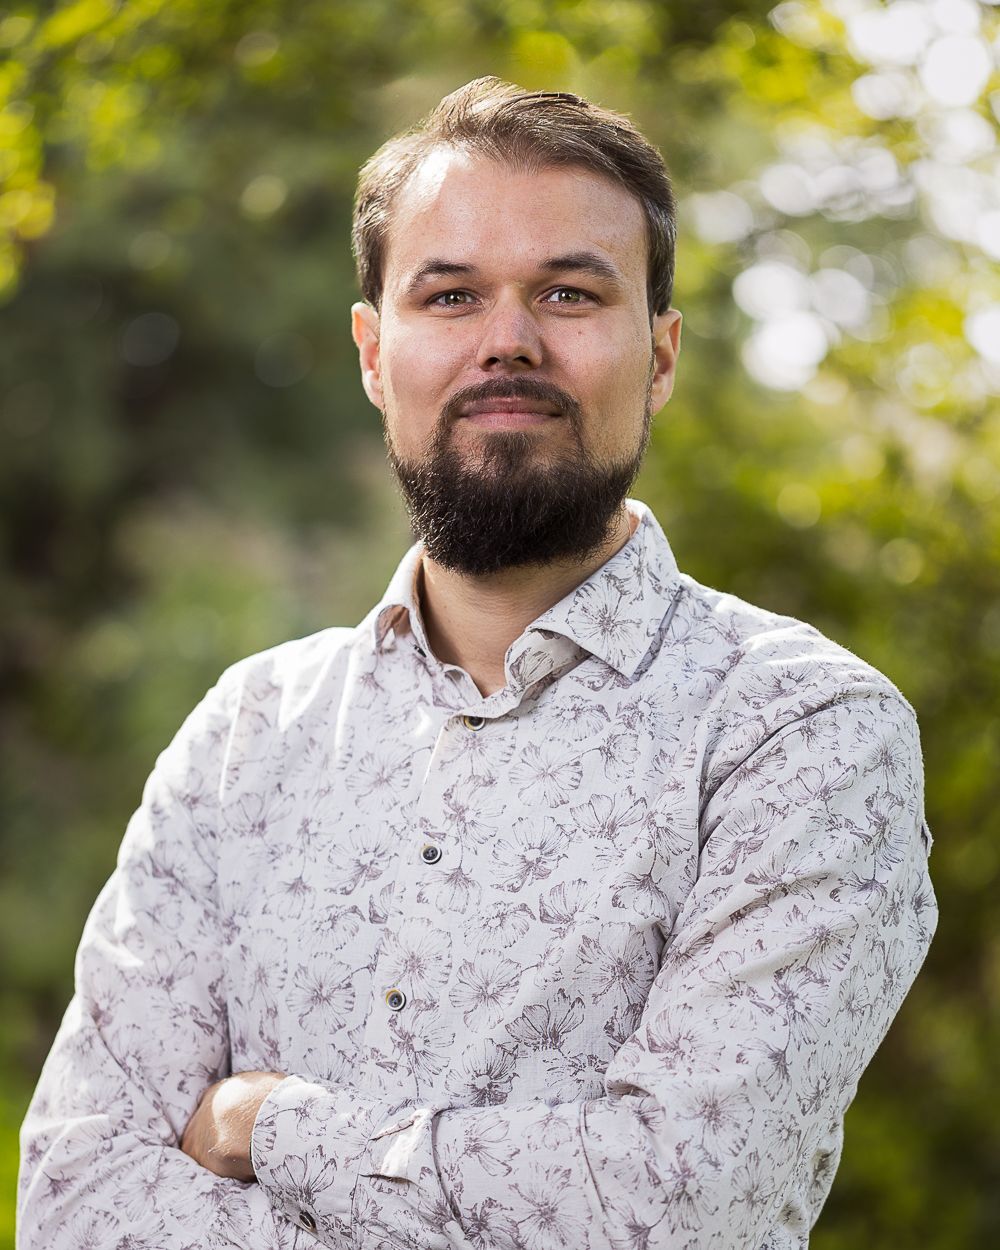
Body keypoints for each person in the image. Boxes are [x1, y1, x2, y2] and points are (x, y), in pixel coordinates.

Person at [17, 76, 937, 1249]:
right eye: (449, 294)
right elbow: (71, 1199)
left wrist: (275, 1127)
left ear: (657, 356)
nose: (508, 340)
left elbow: (683, 1203)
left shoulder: (800, 732)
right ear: (371, 351)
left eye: (566, 289)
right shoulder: (248, 730)